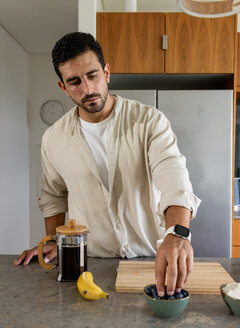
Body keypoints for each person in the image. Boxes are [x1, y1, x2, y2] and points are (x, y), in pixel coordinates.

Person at [14, 32, 201, 297]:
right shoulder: (53, 138)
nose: (88, 89)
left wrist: (178, 234)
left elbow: (174, 177)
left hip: (154, 259)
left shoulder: (149, 121)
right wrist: (55, 241)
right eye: (75, 82)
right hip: (91, 267)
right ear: (63, 87)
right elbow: (54, 196)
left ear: (107, 72)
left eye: (93, 76)